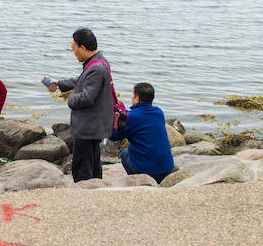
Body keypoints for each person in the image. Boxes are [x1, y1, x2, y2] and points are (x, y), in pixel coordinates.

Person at [47, 29, 113, 182]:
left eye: (74, 48)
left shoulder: (96, 68)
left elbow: (87, 97)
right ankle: (96, 191)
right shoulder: (97, 61)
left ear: (82, 47)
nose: (74, 52)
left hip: (88, 127)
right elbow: (81, 80)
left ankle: (85, 197)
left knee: (82, 168)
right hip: (93, 126)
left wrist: (70, 99)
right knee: (93, 164)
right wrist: (60, 83)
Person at [109, 83, 175, 183]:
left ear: (137, 98)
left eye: (132, 95)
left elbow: (113, 136)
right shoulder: (159, 112)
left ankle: (137, 181)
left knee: (125, 154)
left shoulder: (131, 117)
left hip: (147, 171)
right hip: (167, 168)